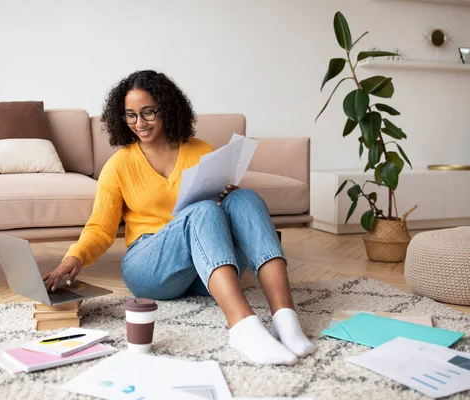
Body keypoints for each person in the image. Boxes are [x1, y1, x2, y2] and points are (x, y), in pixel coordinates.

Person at [43, 70, 316, 365]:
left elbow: (216, 214)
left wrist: (223, 198)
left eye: (148, 113)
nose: (139, 123)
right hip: (150, 268)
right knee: (201, 210)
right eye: (131, 115)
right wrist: (74, 258)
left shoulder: (200, 150)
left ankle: (284, 318)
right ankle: (242, 327)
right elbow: (101, 228)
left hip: (207, 270)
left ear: (167, 108)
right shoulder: (119, 164)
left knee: (244, 197)